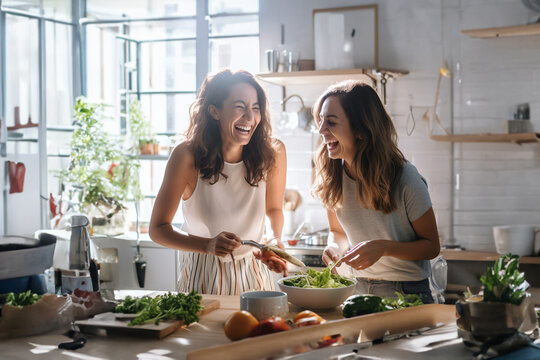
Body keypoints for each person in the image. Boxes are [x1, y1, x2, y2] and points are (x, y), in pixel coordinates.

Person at [149, 69, 288, 295]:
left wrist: (273, 240)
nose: (250, 117)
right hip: (203, 272)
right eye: (240, 106)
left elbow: (273, 208)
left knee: (259, 329)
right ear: (214, 111)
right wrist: (207, 245)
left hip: (254, 271)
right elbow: (157, 229)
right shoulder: (186, 156)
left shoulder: (273, 152)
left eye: (255, 108)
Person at [313, 81, 440, 303]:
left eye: (331, 122)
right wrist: (334, 246)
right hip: (357, 289)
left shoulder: (405, 178)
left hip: (407, 293)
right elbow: (338, 232)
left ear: (361, 130)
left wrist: (384, 248)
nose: (322, 130)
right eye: (321, 120)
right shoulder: (333, 178)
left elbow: (431, 246)